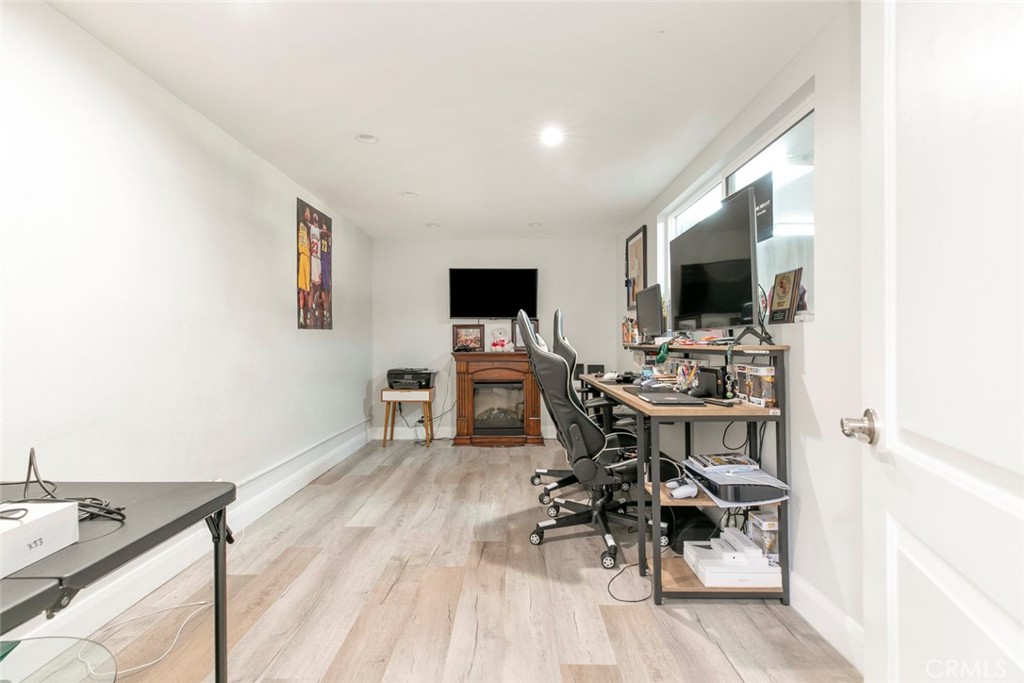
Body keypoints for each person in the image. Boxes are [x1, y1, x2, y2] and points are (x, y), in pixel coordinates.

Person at [297, 206, 312, 326]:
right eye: (308, 212)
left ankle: (305, 314)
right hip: (303, 256)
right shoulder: (302, 226)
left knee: (306, 289)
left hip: (305, 257)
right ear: (305, 213)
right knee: (304, 289)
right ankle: (303, 314)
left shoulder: (305, 227)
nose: (310, 215)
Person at [309, 213, 322, 327]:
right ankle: (312, 310)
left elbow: (325, 232)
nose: (315, 221)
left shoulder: (318, 230)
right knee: (314, 287)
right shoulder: (311, 227)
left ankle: (314, 307)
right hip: (313, 258)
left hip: (318, 259)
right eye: (315, 219)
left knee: (318, 288)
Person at [319, 220, 332, 327]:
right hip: (324, 263)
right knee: (324, 290)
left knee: (327, 290)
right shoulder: (325, 236)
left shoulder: (326, 236)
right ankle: (325, 312)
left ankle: (326, 312)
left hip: (325, 264)